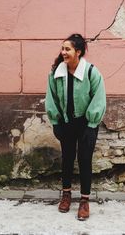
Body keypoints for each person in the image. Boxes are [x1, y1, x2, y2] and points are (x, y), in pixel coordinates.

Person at [45, 34, 106, 221]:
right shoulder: (56, 73)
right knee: (67, 159)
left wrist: (92, 124)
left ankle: (85, 201)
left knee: (85, 160)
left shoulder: (91, 72)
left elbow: (99, 98)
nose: (63, 52)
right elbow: (52, 98)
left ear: (78, 52)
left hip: (87, 124)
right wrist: (56, 122)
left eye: (68, 49)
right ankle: (66, 195)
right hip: (66, 123)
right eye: (62, 49)